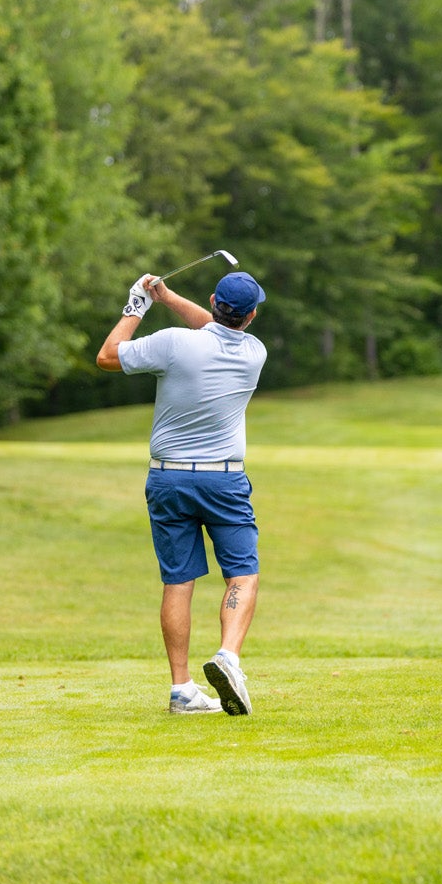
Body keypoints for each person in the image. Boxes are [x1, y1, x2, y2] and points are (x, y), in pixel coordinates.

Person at [96, 269, 268, 715]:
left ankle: (182, 690)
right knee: (242, 574)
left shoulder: (174, 343)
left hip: (168, 478)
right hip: (224, 480)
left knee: (178, 582)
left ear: (213, 300)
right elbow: (212, 330)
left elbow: (108, 356)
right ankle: (228, 656)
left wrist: (140, 304)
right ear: (250, 316)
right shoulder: (254, 352)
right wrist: (169, 297)